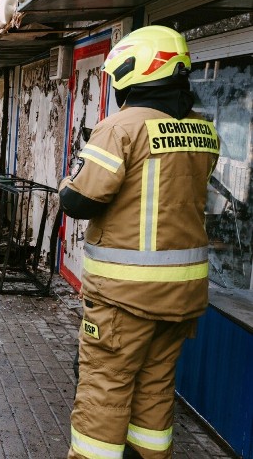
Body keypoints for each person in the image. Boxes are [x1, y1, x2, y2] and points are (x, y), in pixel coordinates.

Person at [59, 26, 219, 459]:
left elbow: (80, 200)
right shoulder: (203, 133)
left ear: (137, 70)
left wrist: (66, 182)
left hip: (124, 297)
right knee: (154, 389)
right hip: (181, 296)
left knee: (104, 395)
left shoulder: (121, 128)